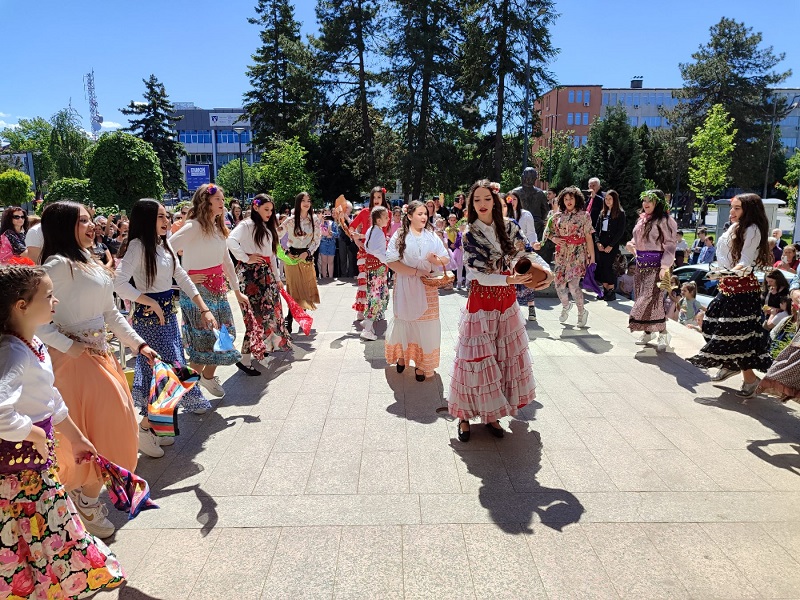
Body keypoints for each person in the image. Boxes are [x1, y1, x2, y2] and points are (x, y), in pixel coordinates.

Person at [0, 265, 126, 597]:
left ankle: (50, 583)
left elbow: (49, 398)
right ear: (21, 305)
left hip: (34, 463)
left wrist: (75, 436)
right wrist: (35, 434)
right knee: (42, 526)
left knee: (43, 527)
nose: (55, 302)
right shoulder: (12, 351)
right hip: (19, 465)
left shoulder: (31, 344)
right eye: (48, 296)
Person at [37, 201, 159, 539]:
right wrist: (69, 346)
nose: (91, 226)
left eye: (91, 219)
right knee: (104, 434)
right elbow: (33, 319)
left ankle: (85, 497)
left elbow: (112, 314)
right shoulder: (57, 265)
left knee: (113, 432)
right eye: (82, 221)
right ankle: (87, 501)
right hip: (73, 363)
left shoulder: (88, 261)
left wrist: (139, 345)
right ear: (63, 227)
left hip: (101, 357)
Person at [448, 180, 553, 442]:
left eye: (487, 199)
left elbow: (525, 255)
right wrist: (509, 279)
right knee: (476, 361)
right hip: (482, 301)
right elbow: (478, 275)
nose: (482, 204)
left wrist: (547, 272)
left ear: (496, 201)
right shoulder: (469, 234)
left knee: (501, 360)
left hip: (506, 302)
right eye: (477, 200)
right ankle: (464, 416)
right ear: (471, 205)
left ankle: (492, 414)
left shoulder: (510, 227)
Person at [114, 198, 218, 457]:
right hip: (149, 319)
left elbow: (181, 276)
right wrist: (148, 300)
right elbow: (118, 283)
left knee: (166, 373)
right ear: (147, 220)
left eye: (166, 216)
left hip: (167, 316)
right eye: (160, 217)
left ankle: (158, 427)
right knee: (165, 374)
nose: (166, 220)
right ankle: (145, 428)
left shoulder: (164, 244)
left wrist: (203, 307)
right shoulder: (137, 246)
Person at [687, 194, 774, 398]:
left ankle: (749, 379)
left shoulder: (752, 230)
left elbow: (745, 261)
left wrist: (728, 272)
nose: (732, 212)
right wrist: (721, 272)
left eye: (737, 208)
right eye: (732, 208)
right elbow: (725, 257)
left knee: (738, 338)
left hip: (743, 291)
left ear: (748, 210)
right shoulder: (734, 227)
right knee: (709, 324)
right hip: (727, 287)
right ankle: (730, 364)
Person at [170, 184, 250, 399]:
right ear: (205, 202)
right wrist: (183, 275)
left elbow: (226, 262)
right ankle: (182, 392)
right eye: (218, 199)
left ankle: (204, 379)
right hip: (197, 292)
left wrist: (237, 290)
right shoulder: (193, 226)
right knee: (203, 344)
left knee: (224, 338)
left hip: (218, 290)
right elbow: (166, 249)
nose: (222, 202)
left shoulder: (218, 228)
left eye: (223, 199)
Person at [384, 201, 450, 382]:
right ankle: (402, 356)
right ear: (410, 216)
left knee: (426, 324)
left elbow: (446, 257)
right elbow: (391, 261)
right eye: (419, 213)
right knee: (404, 320)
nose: (423, 217)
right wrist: (415, 271)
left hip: (426, 285)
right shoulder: (400, 235)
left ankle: (422, 364)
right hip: (405, 283)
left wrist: (436, 260)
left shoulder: (431, 236)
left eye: (425, 213)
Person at [227, 193, 291, 375]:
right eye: (266, 209)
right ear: (256, 207)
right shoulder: (247, 225)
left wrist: (277, 279)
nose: (270, 213)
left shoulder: (266, 227)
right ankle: (245, 359)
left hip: (266, 276)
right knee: (254, 317)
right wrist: (245, 258)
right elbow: (230, 240)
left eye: (271, 210)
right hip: (252, 277)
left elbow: (271, 256)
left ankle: (256, 351)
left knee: (266, 315)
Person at [626, 190, 678, 352]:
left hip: (657, 268)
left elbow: (670, 245)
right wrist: (631, 244)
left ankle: (663, 334)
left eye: (650, 201)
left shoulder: (665, 221)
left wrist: (664, 267)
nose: (646, 203)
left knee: (651, 299)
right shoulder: (642, 220)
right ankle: (648, 332)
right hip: (641, 266)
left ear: (658, 203)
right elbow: (636, 240)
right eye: (644, 200)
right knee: (645, 298)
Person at [538, 186, 594, 328]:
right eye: (566, 199)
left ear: (577, 199)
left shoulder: (584, 216)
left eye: (571, 198)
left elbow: (588, 237)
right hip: (562, 254)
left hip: (577, 253)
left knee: (573, 285)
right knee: (558, 285)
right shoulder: (557, 216)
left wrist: (591, 257)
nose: (569, 201)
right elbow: (547, 232)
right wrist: (554, 238)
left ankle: (581, 312)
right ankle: (566, 306)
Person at [281, 192, 321, 333]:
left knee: (305, 290)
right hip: (292, 258)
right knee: (293, 289)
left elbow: (317, 240)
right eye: (303, 200)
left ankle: (299, 313)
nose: (306, 203)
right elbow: (276, 236)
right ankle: (290, 318)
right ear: (298, 203)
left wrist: (308, 252)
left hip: (307, 257)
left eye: (308, 200)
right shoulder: (290, 220)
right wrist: (285, 251)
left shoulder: (314, 220)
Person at [349, 187, 389, 320]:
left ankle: (378, 309)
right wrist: (357, 240)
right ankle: (362, 309)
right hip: (364, 253)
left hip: (381, 254)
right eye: (374, 197)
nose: (377, 200)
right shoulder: (364, 212)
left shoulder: (386, 213)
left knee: (380, 281)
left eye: (379, 197)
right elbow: (351, 227)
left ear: (383, 198)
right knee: (363, 281)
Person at [360, 206, 391, 341]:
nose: (388, 219)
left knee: (377, 294)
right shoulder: (377, 232)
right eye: (385, 217)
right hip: (377, 267)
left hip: (374, 267)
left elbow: (368, 247)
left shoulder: (372, 230)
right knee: (376, 296)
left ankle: (370, 321)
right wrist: (389, 261)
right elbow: (378, 252)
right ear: (378, 220)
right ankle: (367, 326)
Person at [507, 191, 539, 320]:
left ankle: (531, 308)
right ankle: (514, 310)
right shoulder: (505, 215)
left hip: (524, 251)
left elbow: (531, 233)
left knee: (527, 279)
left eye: (515, 199)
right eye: (510, 199)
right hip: (509, 254)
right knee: (512, 281)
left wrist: (534, 244)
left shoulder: (526, 214)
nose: (512, 201)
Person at [593, 189, 627, 302]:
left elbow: (620, 231)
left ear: (615, 200)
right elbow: (596, 229)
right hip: (601, 243)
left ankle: (611, 291)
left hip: (611, 244)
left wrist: (611, 245)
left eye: (610, 199)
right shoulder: (602, 213)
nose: (608, 201)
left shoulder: (620, 213)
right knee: (602, 267)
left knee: (609, 268)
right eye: (606, 199)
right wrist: (597, 242)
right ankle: (605, 290)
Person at [511, 167, 548, 240]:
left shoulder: (514, 192)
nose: (529, 179)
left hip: (521, 223)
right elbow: (545, 210)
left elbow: (508, 208)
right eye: (528, 177)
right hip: (534, 224)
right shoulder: (540, 193)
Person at [444, 213, 464, 290]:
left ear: (456, 221)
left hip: (457, 248)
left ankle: (458, 280)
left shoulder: (458, 230)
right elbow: (446, 238)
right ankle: (450, 281)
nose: (452, 221)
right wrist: (450, 244)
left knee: (459, 264)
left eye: (454, 220)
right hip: (450, 247)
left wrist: (456, 245)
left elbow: (459, 238)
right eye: (451, 220)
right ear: (448, 221)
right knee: (450, 265)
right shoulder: (446, 229)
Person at [317, 213, 337, 279]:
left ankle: (331, 277)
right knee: (324, 262)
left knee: (331, 262)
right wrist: (322, 222)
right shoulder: (321, 223)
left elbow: (337, 234)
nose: (326, 216)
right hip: (323, 243)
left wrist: (332, 233)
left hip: (331, 243)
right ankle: (324, 278)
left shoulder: (334, 223)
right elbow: (321, 232)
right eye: (325, 214)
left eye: (328, 214)